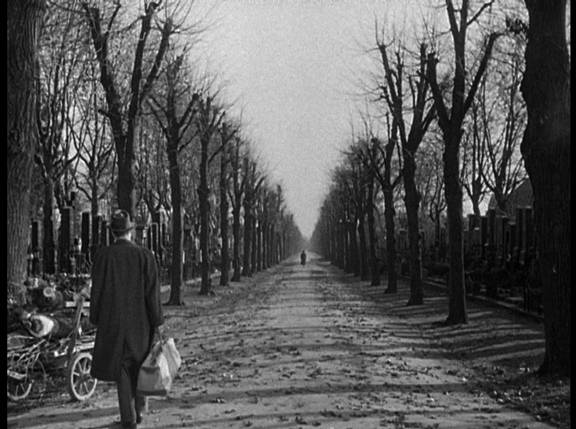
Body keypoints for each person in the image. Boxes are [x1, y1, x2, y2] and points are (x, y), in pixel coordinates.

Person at [90, 210, 164, 429]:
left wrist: (95, 317)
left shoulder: (103, 256)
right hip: (141, 322)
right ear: (131, 231)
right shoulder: (145, 256)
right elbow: (152, 293)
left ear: (113, 232)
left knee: (122, 369)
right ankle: (139, 410)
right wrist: (157, 321)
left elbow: (97, 290)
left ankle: (128, 418)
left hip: (112, 321)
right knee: (141, 364)